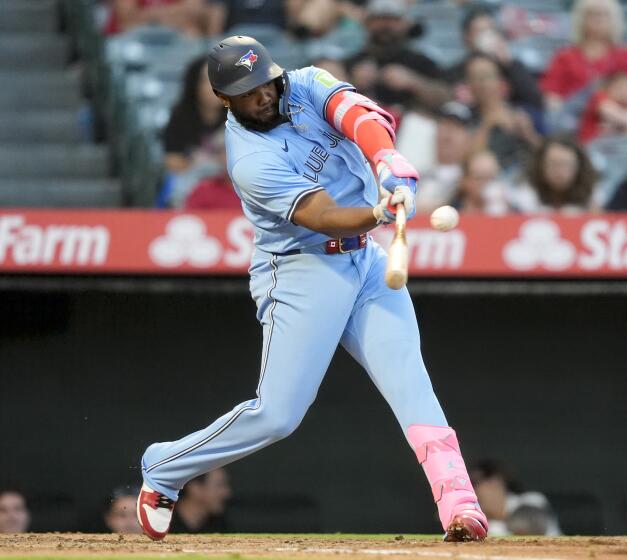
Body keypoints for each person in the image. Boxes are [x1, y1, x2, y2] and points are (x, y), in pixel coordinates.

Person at [135, 36, 488, 543]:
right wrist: (378, 211)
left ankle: (459, 502)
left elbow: (359, 115)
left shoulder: (303, 82)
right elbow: (320, 216)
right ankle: (165, 465)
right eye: (247, 91)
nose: (263, 96)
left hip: (365, 261)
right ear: (224, 99)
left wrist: (386, 160)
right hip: (302, 270)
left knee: (410, 381)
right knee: (277, 415)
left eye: (265, 83)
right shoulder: (248, 159)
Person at [344, 0, 450, 116]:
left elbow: (446, 99)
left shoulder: (421, 61)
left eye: (393, 19)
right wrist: (352, 83)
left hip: (411, 126)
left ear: (406, 24)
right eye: (379, 19)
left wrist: (413, 82)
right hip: (362, 122)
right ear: (367, 23)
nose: (386, 25)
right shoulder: (351, 62)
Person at [540, 0, 627, 112]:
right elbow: (552, 93)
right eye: (593, 14)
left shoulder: (624, 54)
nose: (598, 19)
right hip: (575, 117)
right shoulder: (565, 56)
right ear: (581, 19)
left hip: (616, 117)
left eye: (604, 14)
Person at [161, 57, 228, 207]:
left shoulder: (238, 117)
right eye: (206, 81)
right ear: (194, 84)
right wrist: (201, 166)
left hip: (227, 183)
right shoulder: (180, 116)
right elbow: (172, 160)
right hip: (191, 182)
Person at [449, 7, 544, 112]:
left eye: (490, 30)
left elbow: (535, 101)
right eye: (480, 31)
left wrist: (509, 64)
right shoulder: (456, 71)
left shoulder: (510, 66)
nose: (486, 36)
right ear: (466, 37)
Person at [465, 53, 542, 174]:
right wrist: (488, 124)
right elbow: (465, 162)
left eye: (487, 76)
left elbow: (548, 155)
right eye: (476, 78)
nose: (483, 84)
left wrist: (528, 134)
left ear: (500, 81)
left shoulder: (523, 113)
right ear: (469, 85)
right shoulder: (463, 116)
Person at [407, 102, 473, 213]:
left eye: (457, 127)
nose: (449, 133)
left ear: (468, 138)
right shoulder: (414, 174)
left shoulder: (472, 178)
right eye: (445, 125)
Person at [469, 460, 560, 537]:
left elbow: (532, 530)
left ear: (494, 482)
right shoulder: (492, 525)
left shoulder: (532, 500)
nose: (472, 489)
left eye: (475, 483)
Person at [577, 64, 627, 144]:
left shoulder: (626, 103)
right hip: (592, 145)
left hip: (612, 146)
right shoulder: (600, 96)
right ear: (614, 85)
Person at [520, 136, 598, 213]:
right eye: (553, 164)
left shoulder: (592, 194)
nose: (559, 171)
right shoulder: (526, 193)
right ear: (541, 165)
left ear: (579, 167)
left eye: (566, 164)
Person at [105, 0, 219, 36]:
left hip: (175, 36)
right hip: (131, 38)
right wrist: (174, 15)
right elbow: (127, 19)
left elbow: (195, 11)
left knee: (192, 32)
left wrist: (151, 16)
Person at [169, 469, 231, 533]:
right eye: (219, 485)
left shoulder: (220, 526)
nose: (227, 493)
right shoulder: (162, 524)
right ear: (195, 489)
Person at [454, 151, 511, 215]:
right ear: (464, 180)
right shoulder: (452, 215)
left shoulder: (514, 215)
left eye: (493, 178)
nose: (488, 183)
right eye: (480, 178)